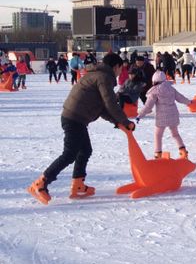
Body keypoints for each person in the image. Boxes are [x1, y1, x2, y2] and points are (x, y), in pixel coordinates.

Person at [29, 53, 135, 205]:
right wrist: (124, 121)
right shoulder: (104, 78)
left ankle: (78, 184)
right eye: (120, 69)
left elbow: (102, 108)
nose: (120, 72)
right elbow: (110, 104)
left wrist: (118, 123)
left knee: (85, 150)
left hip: (75, 117)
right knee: (69, 154)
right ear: (116, 66)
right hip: (75, 118)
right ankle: (40, 183)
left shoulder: (96, 75)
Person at [137, 70, 191, 159]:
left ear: (154, 80)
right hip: (173, 115)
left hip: (161, 117)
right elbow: (180, 98)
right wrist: (189, 102)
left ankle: (158, 154)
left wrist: (140, 115)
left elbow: (148, 106)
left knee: (158, 135)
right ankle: (183, 151)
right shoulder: (171, 88)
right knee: (175, 134)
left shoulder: (154, 91)